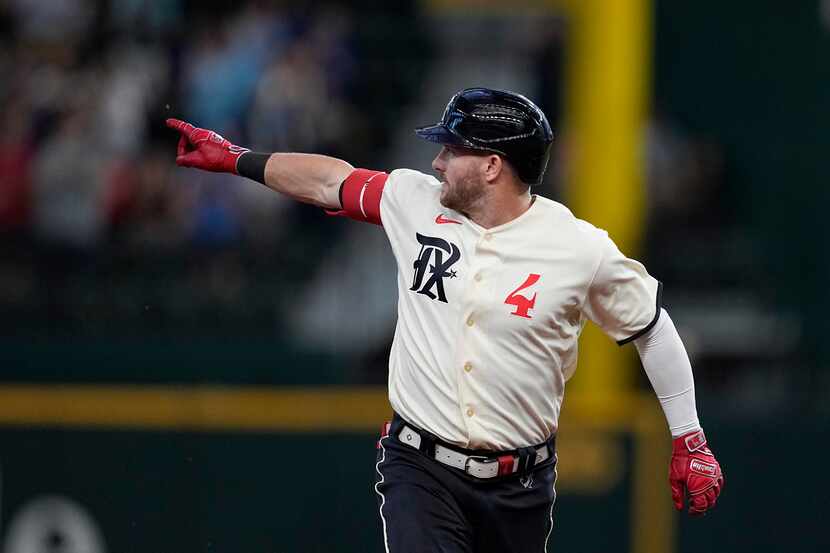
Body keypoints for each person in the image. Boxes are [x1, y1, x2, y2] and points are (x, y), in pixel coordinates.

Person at [166, 87, 724, 553]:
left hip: (521, 487)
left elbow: (652, 329)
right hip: (420, 466)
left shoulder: (578, 249)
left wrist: (689, 439)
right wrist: (236, 158)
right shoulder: (416, 201)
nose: (436, 162)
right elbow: (328, 180)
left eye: (451, 150)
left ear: (490, 165)